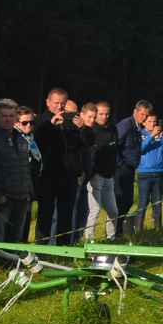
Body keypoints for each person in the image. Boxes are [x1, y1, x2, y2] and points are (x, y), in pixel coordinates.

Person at [31, 88, 81, 245]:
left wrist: (84, 128)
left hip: (69, 175)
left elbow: (86, 143)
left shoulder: (70, 122)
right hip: (47, 175)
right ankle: (42, 250)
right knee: (45, 215)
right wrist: (51, 125)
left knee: (66, 216)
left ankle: (63, 250)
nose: (60, 106)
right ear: (48, 102)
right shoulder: (40, 120)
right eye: (56, 103)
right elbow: (37, 142)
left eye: (63, 103)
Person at [0, 102, 36, 253]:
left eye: (11, 116)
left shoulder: (22, 139)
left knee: (15, 237)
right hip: (3, 198)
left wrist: (29, 192)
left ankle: (11, 263)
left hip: (21, 197)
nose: (8, 119)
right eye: (4, 116)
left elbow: (26, 167)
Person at [81, 102, 119, 239]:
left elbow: (115, 149)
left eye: (106, 114)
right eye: (101, 114)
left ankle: (111, 237)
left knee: (113, 211)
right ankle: (89, 239)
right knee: (94, 210)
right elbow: (89, 154)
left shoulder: (112, 129)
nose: (104, 117)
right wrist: (92, 172)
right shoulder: (90, 130)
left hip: (109, 176)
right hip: (96, 176)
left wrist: (113, 170)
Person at [114, 101, 150, 234]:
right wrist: (120, 164)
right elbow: (114, 145)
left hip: (131, 168)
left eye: (146, 115)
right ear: (135, 112)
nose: (144, 118)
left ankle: (119, 229)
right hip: (121, 169)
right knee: (119, 200)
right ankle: (114, 231)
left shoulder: (138, 127)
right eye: (142, 114)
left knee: (128, 201)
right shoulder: (125, 125)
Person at [133, 110, 163, 232]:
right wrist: (151, 136)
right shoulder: (140, 134)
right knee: (143, 201)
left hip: (159, 171)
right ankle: (138, 230)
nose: (153, 124)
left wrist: (162, 137)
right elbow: (141, 149)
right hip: (145, 172)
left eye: (154, 122)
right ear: (144, 123)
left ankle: (157, 229)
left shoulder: (160, 134)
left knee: (157, 201)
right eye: (149, 122)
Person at [71, 101, 93, 237]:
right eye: (89, 117)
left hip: (85, 179)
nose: (92, 120)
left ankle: (78, 240)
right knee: (72, 213)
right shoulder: (72, 132)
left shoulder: (87, 133)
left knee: (84, 212)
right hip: (75, 179)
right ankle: (71, 242)